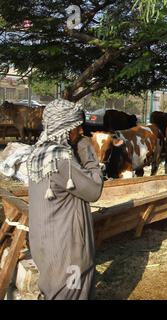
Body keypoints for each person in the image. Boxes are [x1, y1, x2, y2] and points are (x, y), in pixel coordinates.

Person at [27, 99, 103, 300]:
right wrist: (87, 150)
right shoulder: (62, 159)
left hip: (46, 244)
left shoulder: (38, 153)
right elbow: (94, 190)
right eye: (77, 128)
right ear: (65, 129)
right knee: (72, 294)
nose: (80, 133)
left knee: (54, 291)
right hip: (67, 250)